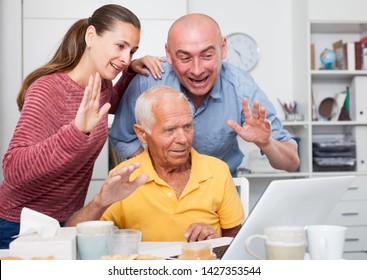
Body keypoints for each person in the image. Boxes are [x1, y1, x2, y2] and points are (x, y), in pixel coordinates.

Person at [0, 4, 165, 249]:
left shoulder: (103, 86)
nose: (126, 57)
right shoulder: (47, 90)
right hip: (19, 226)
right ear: (91, 37)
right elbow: (12, 168)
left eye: (132, 50)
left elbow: (111, 104)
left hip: (66, 223)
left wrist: (130, 71)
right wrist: (76, 133)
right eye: (120, 46)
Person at [109, 13, 300, 176]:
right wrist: (153, 174)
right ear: (168, 53)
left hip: (218, 196)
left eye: (207, 56)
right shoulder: (148, 80)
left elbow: (291, 163)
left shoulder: (242, 89)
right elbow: (122, 135)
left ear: (223, 48)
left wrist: (267, 144)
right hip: (159, 194)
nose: (197, 70)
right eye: (184, 58)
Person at [65, 86, 245, 242]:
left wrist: (215, 242)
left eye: (187, 126)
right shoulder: (124, 176)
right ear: (142, 134)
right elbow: (71, 234)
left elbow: (236, 239)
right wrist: (99, 204)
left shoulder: (218, 171)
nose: (183, 139)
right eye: (170, 130)